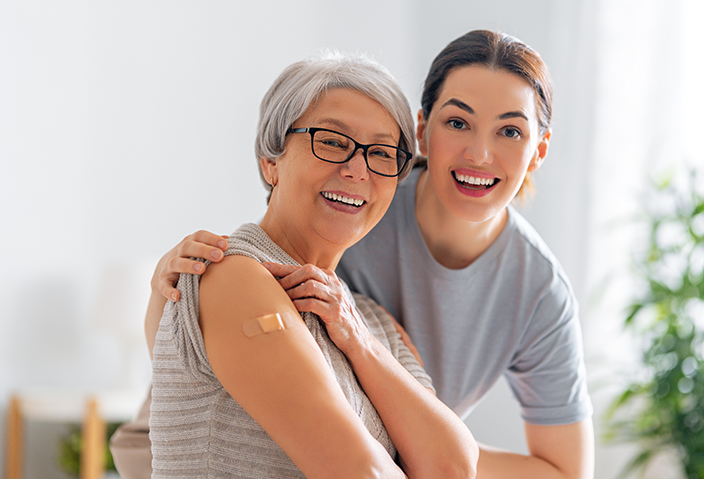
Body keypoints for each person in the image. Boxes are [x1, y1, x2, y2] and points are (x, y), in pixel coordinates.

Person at [138, 30, 594, 478]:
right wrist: (175, 285)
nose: (357, 170)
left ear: (539, 150)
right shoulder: (248, 269)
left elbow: (456, 466)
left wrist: (361, 342)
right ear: (424, 132)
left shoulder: (375, 317)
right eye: (333, 141)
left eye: (380, 153)